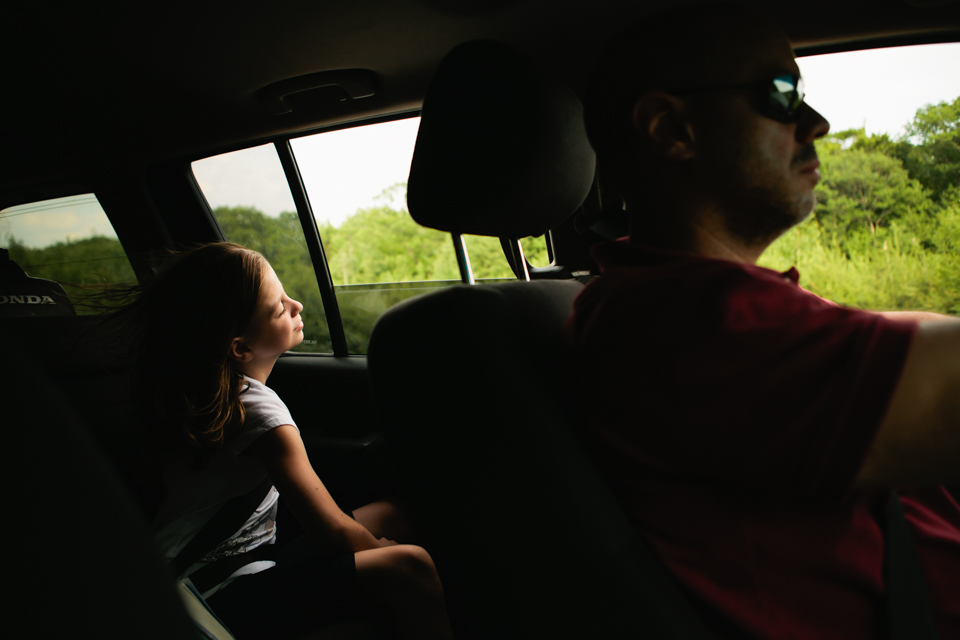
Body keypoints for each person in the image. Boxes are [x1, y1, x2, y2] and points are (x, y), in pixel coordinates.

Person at [565, 4, 960, 639]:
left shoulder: (688, 305)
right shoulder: (679, 323)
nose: (817, 123)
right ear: (672, 129)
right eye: (781, 94)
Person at [111, 242, 453, 640]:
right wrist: (381, 551)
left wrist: (377, 541)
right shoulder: (261, 415)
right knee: (410, 567)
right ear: (241, 347)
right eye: (279, 308)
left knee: (397, 514)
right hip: (205, 596)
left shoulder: (210, 395)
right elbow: (333, 533)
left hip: (230, 562)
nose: (297, 306)